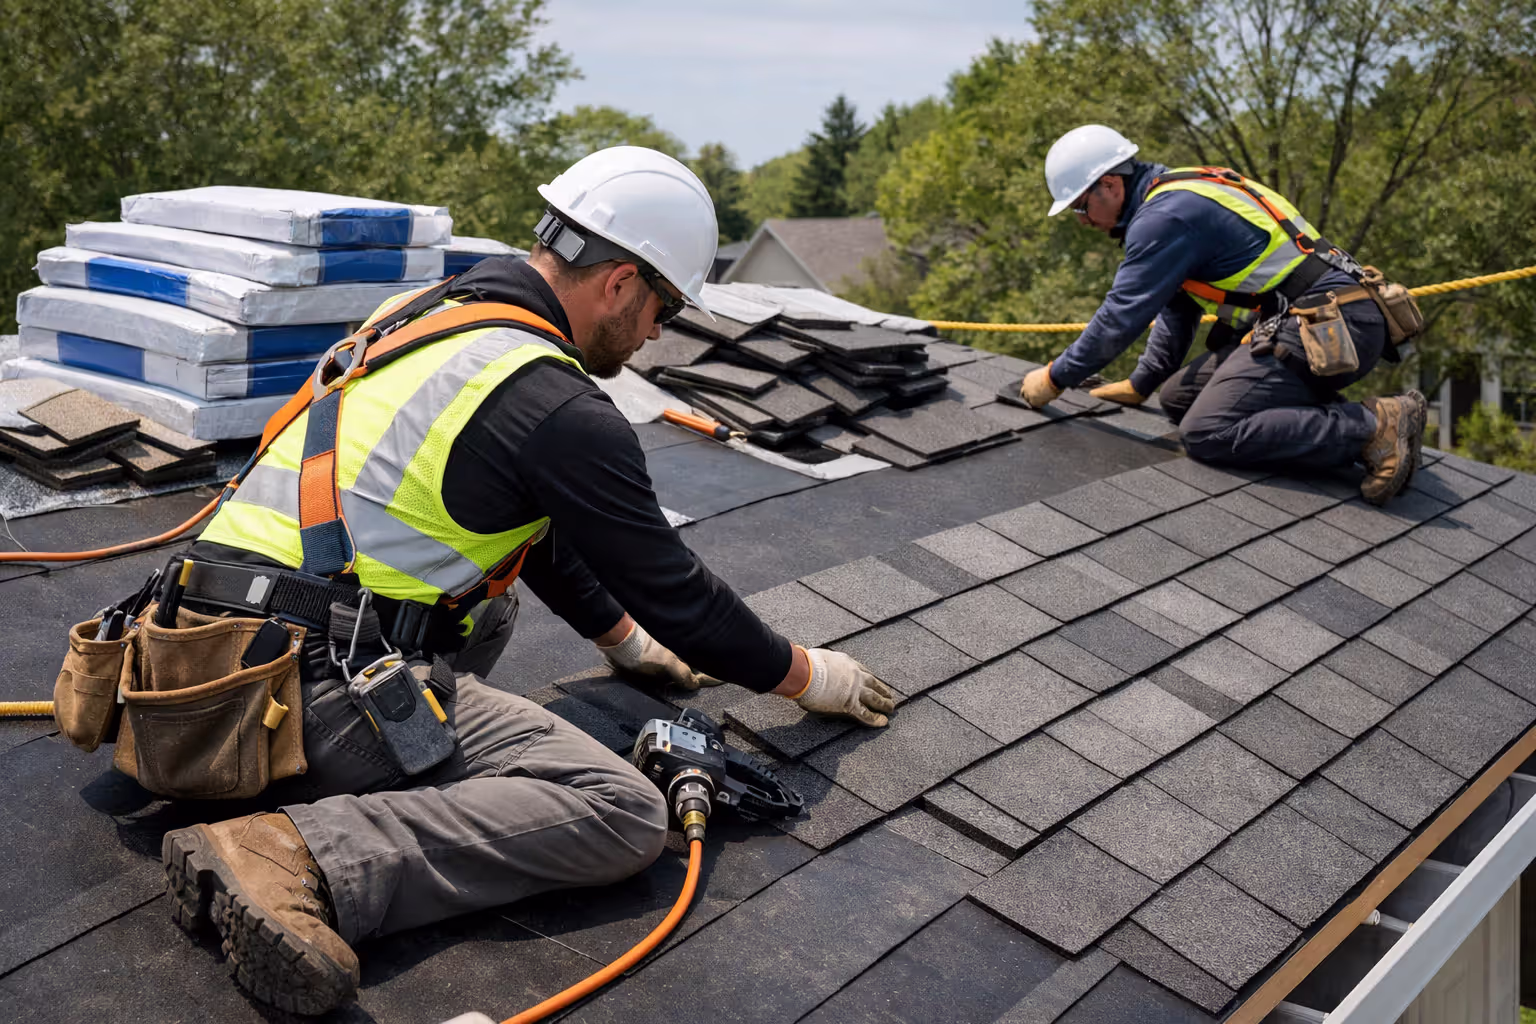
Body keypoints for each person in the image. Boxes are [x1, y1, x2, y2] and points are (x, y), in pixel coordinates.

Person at [158, 146, 895, 1015]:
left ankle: (345, 769)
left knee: (486, 612)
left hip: (183, 653)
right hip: (288, 686)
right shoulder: (560, 407)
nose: (659, 331)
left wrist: (624, 643)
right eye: (663, 304)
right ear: (619, 283)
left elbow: (528, 521)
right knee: (619, 812)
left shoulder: (425, 313)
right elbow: (682, 597)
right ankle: (297, 850)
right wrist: (812, 675)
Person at [1018, 124, 1426, 506]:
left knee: (1207, 431)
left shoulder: (1164, 218)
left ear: (1109, 184)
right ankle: (1331, 420)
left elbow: (1120, 317)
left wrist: (1055, 377)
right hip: (1321, 321)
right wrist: (1143, 382)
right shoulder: (1178, 189)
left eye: (1080, 207)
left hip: (1330, 326)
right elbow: (1178, 307)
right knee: (1178, 399)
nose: (1084, 221)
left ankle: (1373, 427)